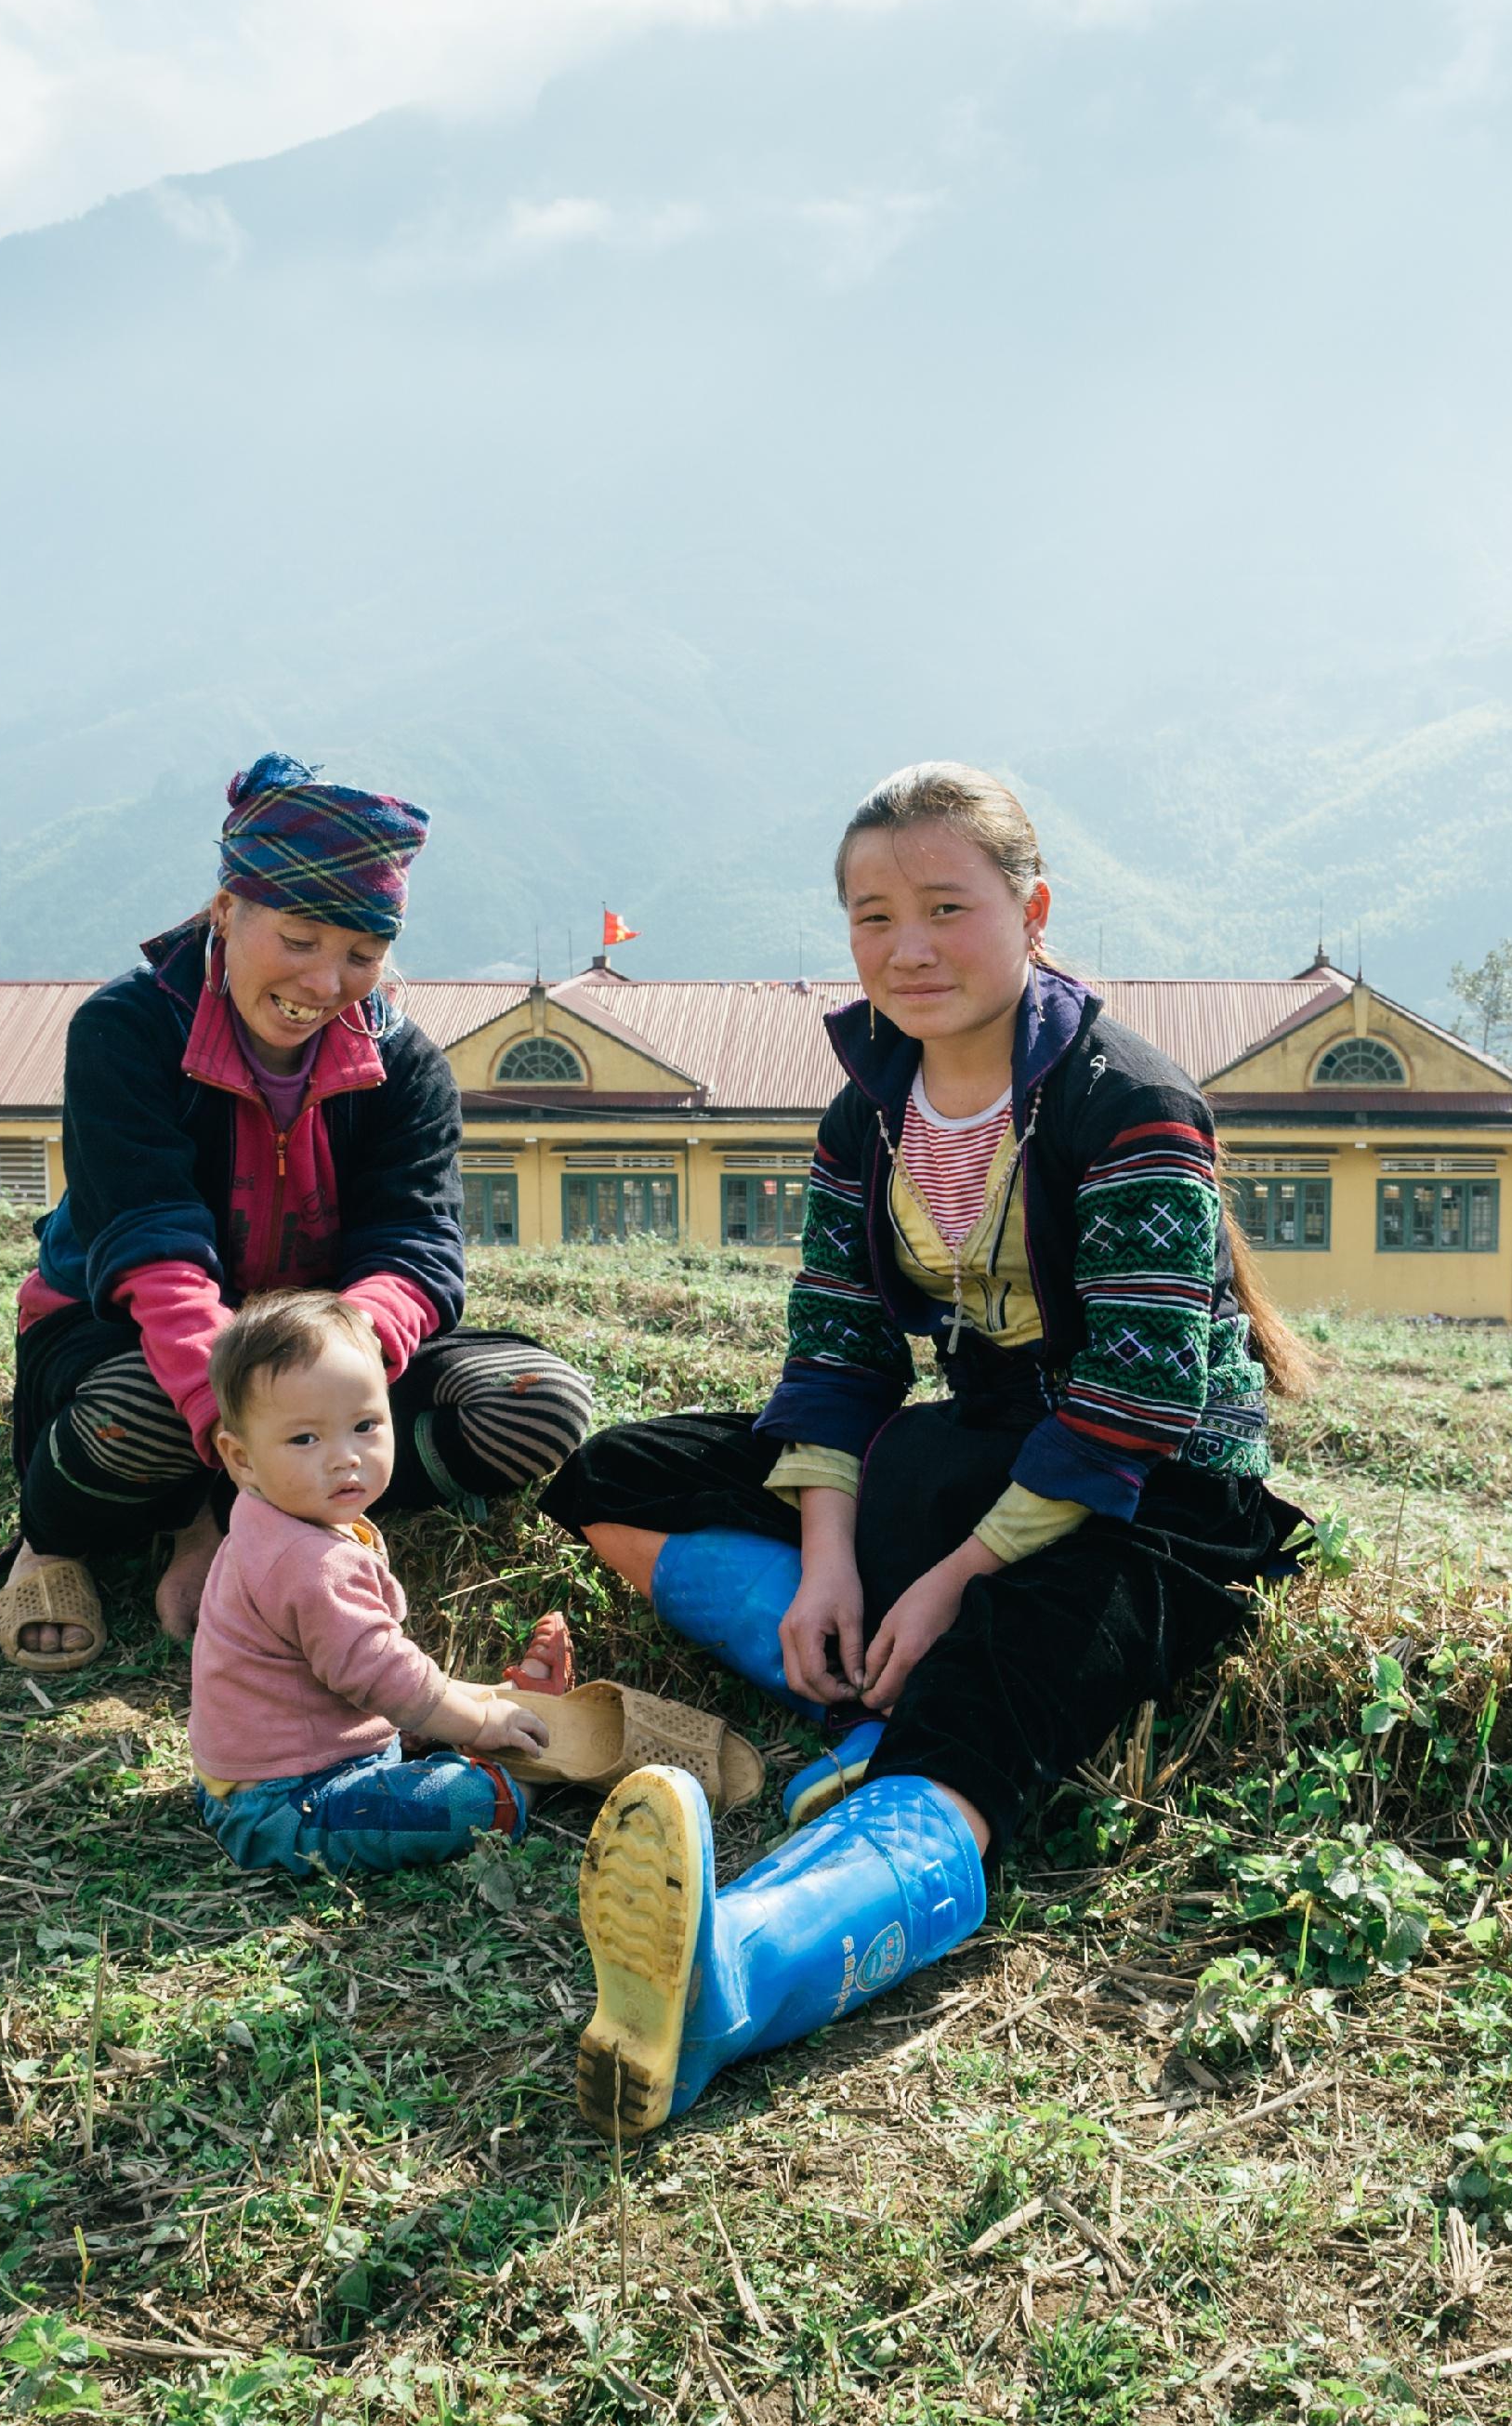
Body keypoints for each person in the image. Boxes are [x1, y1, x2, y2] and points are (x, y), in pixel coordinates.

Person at [539, 760, 1314, 2135]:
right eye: (871, 915)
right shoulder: (869, 1108)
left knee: (975, 1731)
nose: (907, 948)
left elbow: (1131, 1404)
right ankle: (849, 1687)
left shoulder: (1127, 1100)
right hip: (969, 1444)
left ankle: (730, 1978)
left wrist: (950, 1576)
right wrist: (832, 1561)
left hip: (1152, 1496)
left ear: (1033, 908)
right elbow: (834, 1353)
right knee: (616, 1474)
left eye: (947, 907)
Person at [0, 752, 595, 1673]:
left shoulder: (407, 1067)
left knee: (536, 1406)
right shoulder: (124, 1033)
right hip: (130, 1339)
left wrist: (331, 1371)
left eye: (361, 954)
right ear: (228, 911)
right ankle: (51, 1539)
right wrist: (260, 1427)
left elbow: (416, 1250)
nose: (325, 980)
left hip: (321, 1345)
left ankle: (240, 1522)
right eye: (301, 938)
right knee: (140, 1411)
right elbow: (156, 1255)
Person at [189, 1291, 570, 1874]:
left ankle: (493, 1709)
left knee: (426, 1708)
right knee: (462, 1801)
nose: (345, 1458)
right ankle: (515, 1781)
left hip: (287, 1764)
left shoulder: (273, 1517)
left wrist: (461, 1706)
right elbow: (382, 1676)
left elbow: (371, 1665)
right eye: (305, 1439)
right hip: (284, 1804)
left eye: (365, 1425)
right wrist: (479, 1722)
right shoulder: (305, 1560)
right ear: (241, 1459)